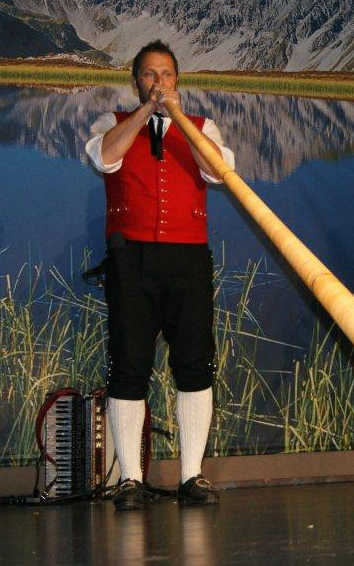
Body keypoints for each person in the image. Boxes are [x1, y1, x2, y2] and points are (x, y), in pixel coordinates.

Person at [85, 40, 235, 509]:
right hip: (131, 259)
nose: (159, 82)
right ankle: (130, 479)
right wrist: (146, 111)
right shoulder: (111, 122)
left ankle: (192, 476)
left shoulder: (202, 128)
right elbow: (104, 158)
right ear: (136, 83)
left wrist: (179, 119)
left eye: (167, 74)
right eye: (150, 75)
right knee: (129, 364)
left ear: (178, 80)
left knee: (194, 363)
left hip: (188, 259)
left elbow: (219, 172)